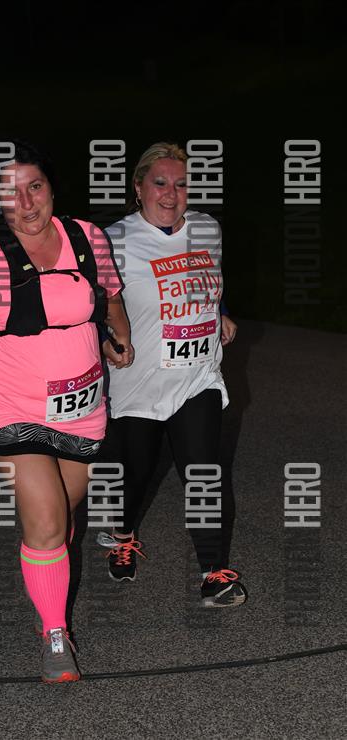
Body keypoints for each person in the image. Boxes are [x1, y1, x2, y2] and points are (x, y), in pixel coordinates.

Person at [0, 141, 131, 683]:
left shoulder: (86, 238)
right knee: (45, 522)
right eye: (10, 193)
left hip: (81, 408)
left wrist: (119, 336)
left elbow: (109, 297)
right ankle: (55, 636)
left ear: (51, 188)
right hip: (11, 406)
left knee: (61, 519)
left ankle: (48, 583)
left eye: (34, 187)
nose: (25, 203)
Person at [99, 141, 247, 608]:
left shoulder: (207, 228)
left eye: (181, 184)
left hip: (197, 376)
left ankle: (213, 572)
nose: (171, 193)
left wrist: (220, 311)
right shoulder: (113, 240)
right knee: (136, 472)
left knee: (203, 471)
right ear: (138, 187)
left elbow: (207, 280)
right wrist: (103, 341)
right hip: (138, 381)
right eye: (160, 183)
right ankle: (123, 533)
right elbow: (88, 304)